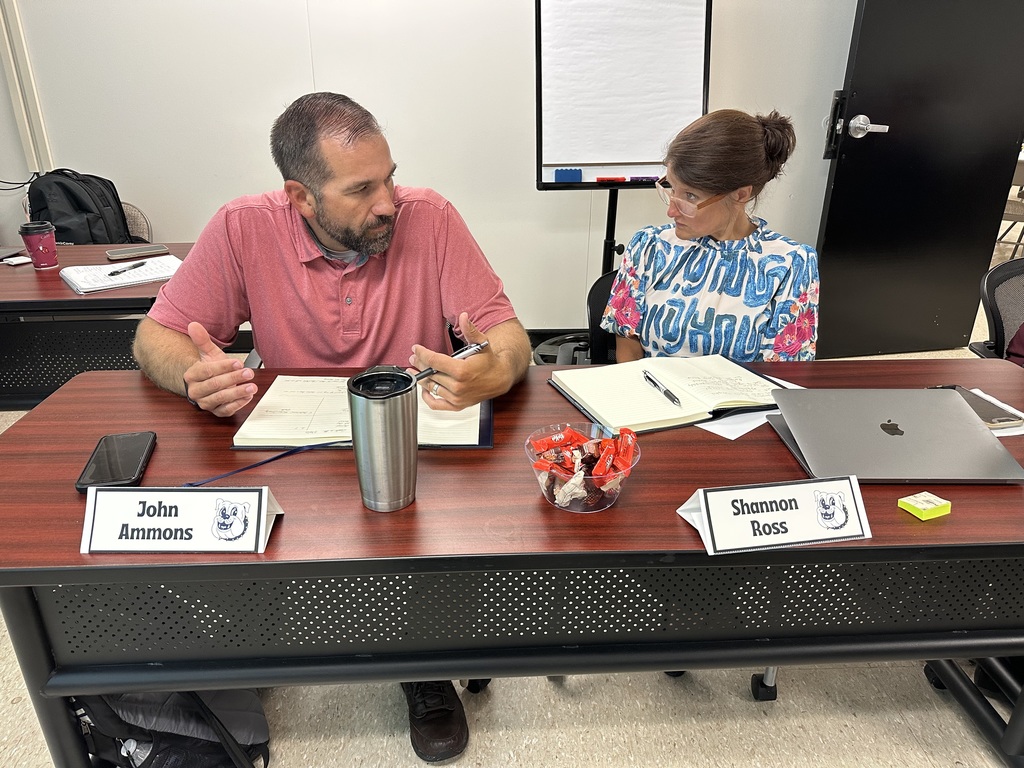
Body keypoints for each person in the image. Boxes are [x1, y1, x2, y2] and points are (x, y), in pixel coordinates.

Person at [132, 92, 532, 763]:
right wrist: (190, 375)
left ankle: (424, 666)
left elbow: (508, 336)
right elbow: (155, 338)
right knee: (236, 525)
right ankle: (250, 645)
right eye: (362, 189)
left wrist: (499, 367)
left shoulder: (428, 216)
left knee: (428, 529)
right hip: (294, 443)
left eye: (391, 177)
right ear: (300, 196)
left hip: (408, 435)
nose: (388, 202)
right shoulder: (241, 226)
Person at [601, 109, 819, 363]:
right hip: (653, 396)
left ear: (740, 195)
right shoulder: (649, 246)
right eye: (671, 188)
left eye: (690, 196)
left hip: (741, 401)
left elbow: (785, 371)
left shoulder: (792, 264)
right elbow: (627, 340)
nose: (672, 210)